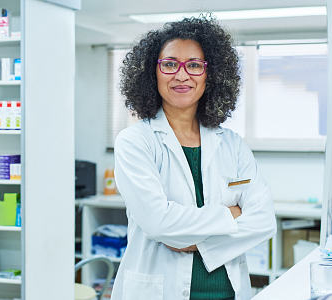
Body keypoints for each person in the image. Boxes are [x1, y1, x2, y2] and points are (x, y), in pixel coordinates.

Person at [111, 14, 276, 300]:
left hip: (227, 292)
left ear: (211, 75)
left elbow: (263, 221)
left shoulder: (233, 145)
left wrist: (194, 243)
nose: (182, 75)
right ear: (153, 72)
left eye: (195, 65)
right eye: (170, 64)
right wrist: (231, 215)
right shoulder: (134, 142)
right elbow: (158, 222)